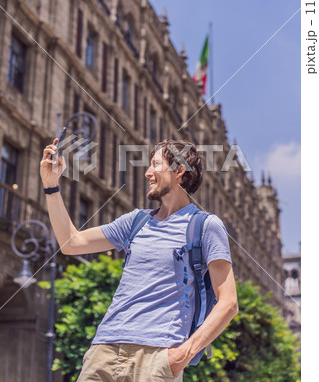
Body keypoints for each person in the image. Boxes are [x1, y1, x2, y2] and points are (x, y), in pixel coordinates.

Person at [40, 138, 238, 381]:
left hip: (157, 357)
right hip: (104, 349)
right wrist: (51, 186)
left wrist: (181, 356)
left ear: (179, 171)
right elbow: (71, 243)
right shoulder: (136, 221)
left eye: (155, 165)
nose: (147, 173)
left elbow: (228, 302)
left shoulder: (206, 226)